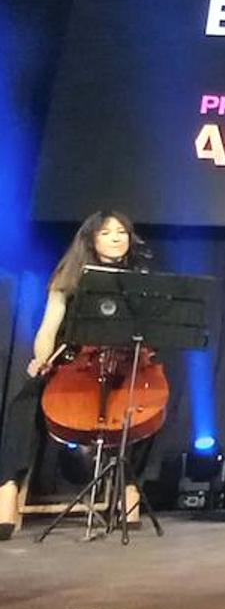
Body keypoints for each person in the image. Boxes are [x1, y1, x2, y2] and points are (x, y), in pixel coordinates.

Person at [0, 211, 150, 539]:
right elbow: (48, 330)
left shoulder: (140, 278)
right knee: (23, 402)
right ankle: (7, 488)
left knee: (150, 404)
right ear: (91, 239)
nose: (116, 237)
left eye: (122, 232)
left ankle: (130, 488)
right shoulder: (68, 278)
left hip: (122, 364)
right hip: (74, 363)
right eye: (107, 232)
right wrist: (42, 358)